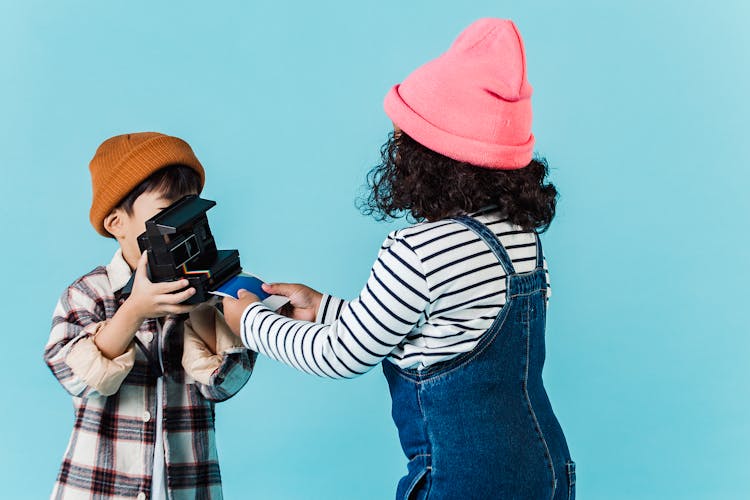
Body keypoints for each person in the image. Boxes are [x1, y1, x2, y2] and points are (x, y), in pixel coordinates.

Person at [224, 18, 575, 499]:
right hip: (545, 469)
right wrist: (326, 308)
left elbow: (341, 355)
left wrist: (250, 322)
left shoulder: (418, 249)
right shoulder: (522, 237)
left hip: (465, 480)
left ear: (428, 158)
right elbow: (442, 328)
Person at [44, 132, 255, 500]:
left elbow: (224, 382)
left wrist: (201, 302)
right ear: (117, 224)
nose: (182, 223)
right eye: (166, 212)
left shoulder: (215, 293)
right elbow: (79, 380)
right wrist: (136, 309)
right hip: (99, 486)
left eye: (190, 208)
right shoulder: (89, 293)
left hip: (188, 486)